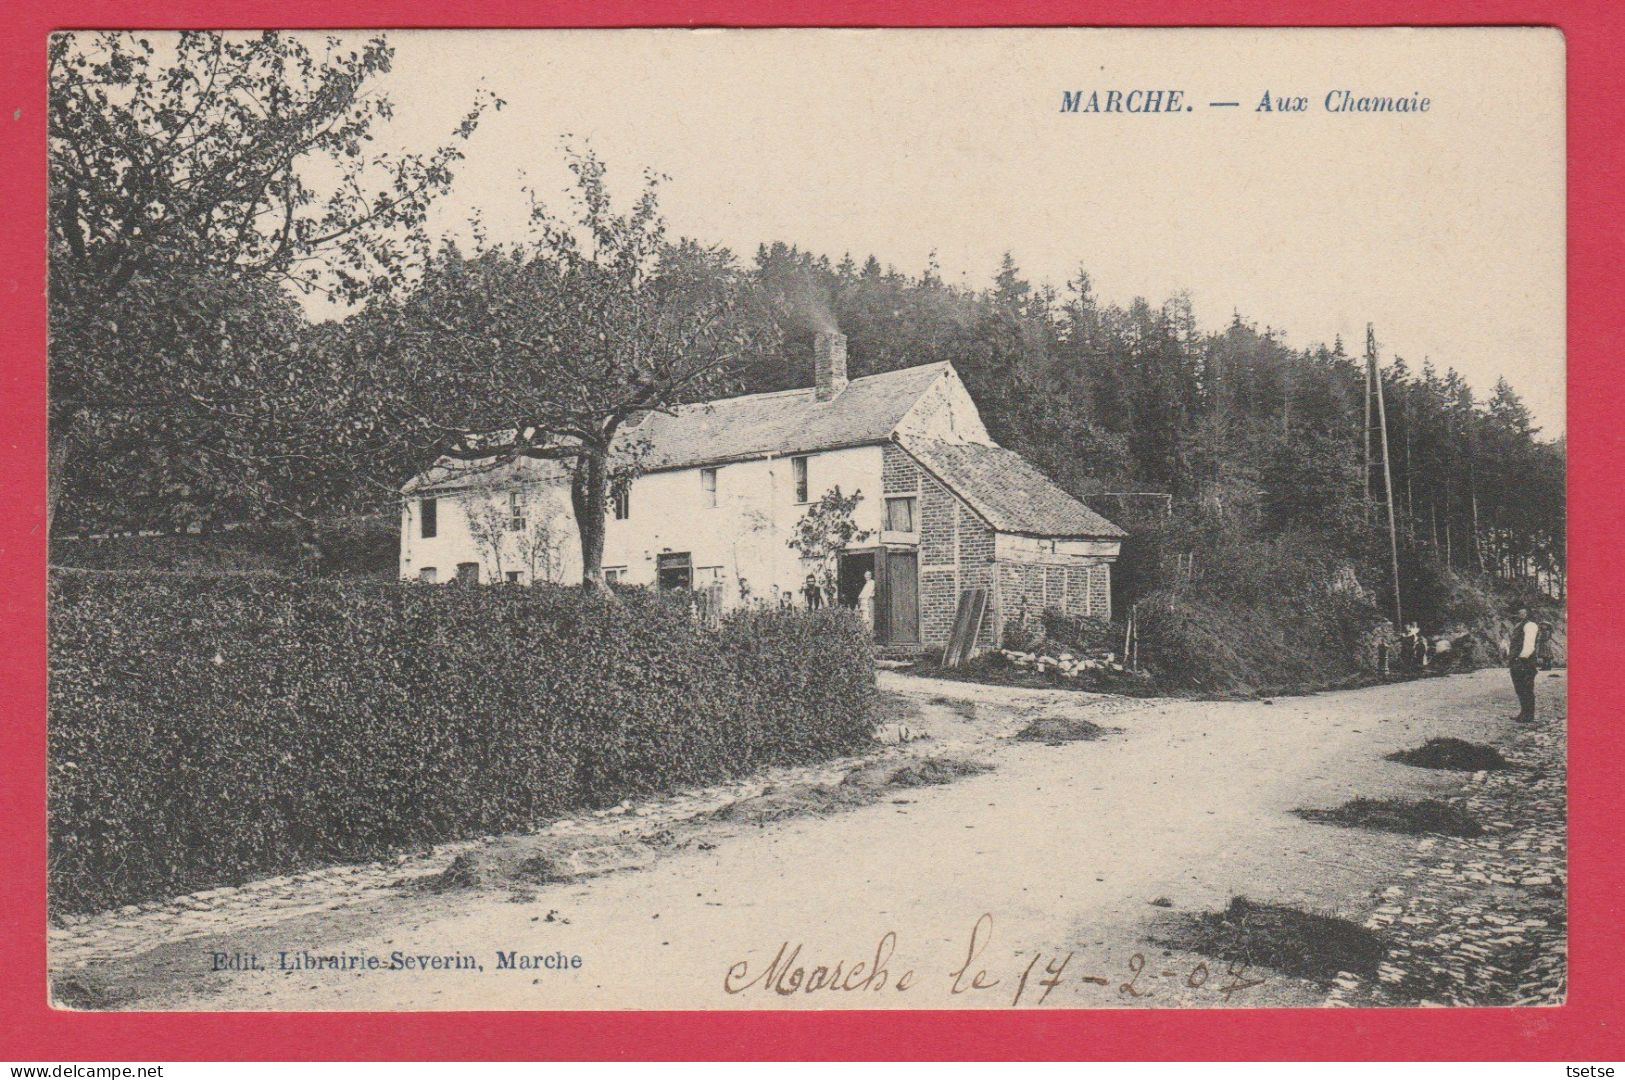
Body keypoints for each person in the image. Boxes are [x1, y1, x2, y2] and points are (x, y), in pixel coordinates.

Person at [1508, 605, 1541, 722]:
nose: (1520, 614)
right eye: (1519, 612)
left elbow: (1529, 645)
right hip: (1517, 661)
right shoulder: (1519, 625)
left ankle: (1529, 715)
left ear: (1527, 613)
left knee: (1526, 688)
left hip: (1525, 662)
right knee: (1520, 688)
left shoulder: (1530, 625)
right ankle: (1523, 713)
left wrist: (1521, 658)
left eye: (1523, 612)